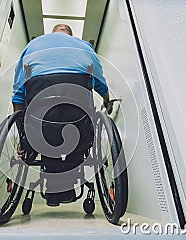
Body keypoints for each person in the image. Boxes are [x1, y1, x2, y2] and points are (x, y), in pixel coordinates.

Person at [12, 24, 112, 206]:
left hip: (42, 119)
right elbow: (99, 81)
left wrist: (23, 138)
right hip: (77, 118)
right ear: (71, 35)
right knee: (78, 132)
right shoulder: (84, 46)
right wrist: (106, 98)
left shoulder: (32, 46)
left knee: (46, 131)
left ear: (52, 34)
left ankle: (53, 185)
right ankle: (68, 180)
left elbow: (18, 95)